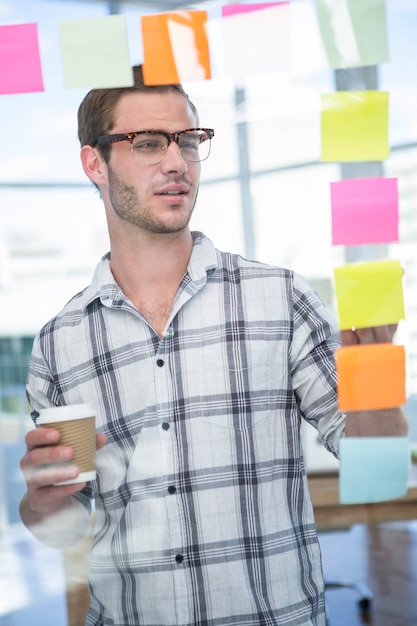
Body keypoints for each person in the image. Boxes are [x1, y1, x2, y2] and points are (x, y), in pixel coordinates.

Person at [19, 64, 408, 626]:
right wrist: (44, 501)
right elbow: (66, 527)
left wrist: (375, 376)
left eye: (189, 141)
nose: (177, 162)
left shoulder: (281, 298)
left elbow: (380, 468)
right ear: (94, 163)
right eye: (148, 143)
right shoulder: (62, 342)